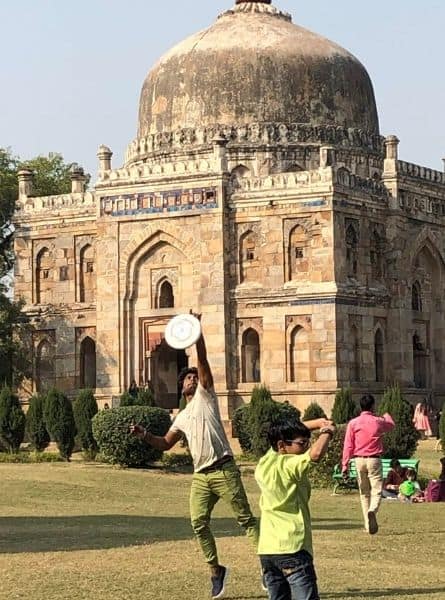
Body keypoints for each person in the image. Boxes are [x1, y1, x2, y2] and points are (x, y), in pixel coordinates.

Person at [131, 314, 257, 599]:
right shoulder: (182, 416)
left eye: (194, 376)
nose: (192, 378)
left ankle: (268, 566)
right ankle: (216, 570)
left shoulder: (206, 395)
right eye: (188, 378)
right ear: (182, 386)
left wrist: (197, 334)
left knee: (246, 520)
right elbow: (165, 444)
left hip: (224, 469)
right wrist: (144, 435)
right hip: (202, 476)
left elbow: (202, 362)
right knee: (198, 522)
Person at [255, 419, 336, 600]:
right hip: (293, 547)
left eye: (307, 442)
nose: (306, 447)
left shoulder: (266, 461)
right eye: (302, 444)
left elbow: (279, 432)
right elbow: (315, 455)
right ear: (282, 445)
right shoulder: (290, 465)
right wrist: (327, 431)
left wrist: (317, 423)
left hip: (268, 550)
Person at [342, 394, 395, 534]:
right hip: (374, 459)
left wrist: (345, 464)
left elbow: (348, 445)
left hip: (358, 459)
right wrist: (386, 415)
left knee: (364, 493)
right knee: (376, 490)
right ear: (372, 406)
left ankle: (367, 524)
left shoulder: (353, 423)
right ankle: (373, 510)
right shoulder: (377, 421)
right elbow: (391, 425)